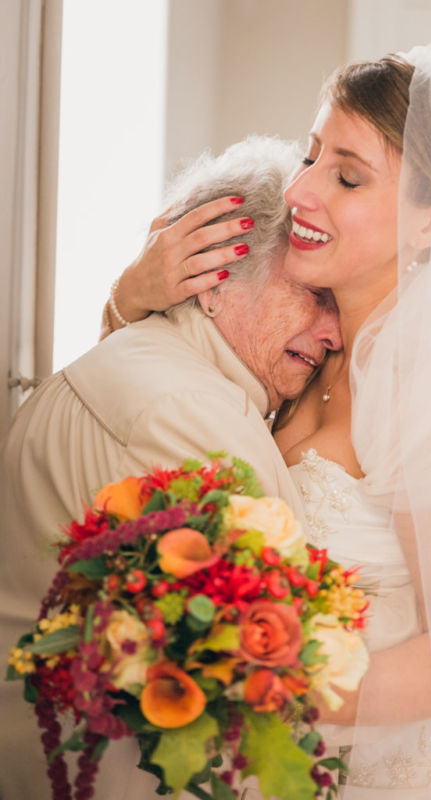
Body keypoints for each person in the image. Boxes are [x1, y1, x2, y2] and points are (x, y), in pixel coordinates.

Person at [110, 41, 431, 799]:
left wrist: (259, 693)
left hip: (414, 772)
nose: (300, 191)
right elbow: (150, 413)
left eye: (346, 176)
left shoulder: (428, 370)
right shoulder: (306, 323)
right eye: (310, 156)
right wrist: (128, 297)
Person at [0, 134, 342, 800]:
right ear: (214, 277)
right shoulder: (188, 413)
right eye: (316, 294)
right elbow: (238, 696)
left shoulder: (143, 358)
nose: (335, 333)